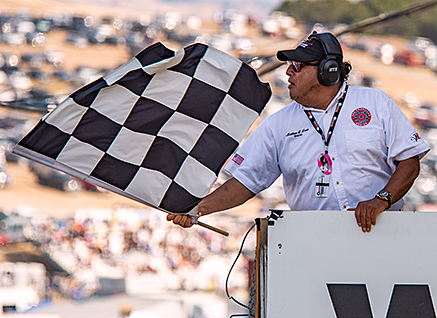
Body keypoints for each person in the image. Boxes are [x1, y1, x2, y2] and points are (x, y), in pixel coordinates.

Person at [167, 31, 430, 232]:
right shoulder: (277, 124)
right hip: (314, 238)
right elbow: (244, 183)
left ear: (329, 71)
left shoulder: (376, 103)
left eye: (298, 65)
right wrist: (197, 210)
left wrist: (381, 200)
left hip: (383, 233)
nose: (288, 71)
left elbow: (409, 162)